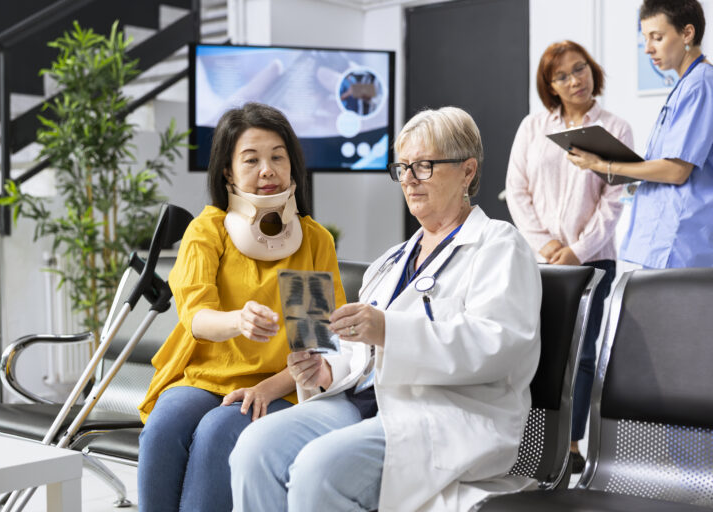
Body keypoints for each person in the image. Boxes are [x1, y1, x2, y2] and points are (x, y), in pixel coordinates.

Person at [230, 106, 543, 512]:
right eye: (403, 167)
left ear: (467, 171)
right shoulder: (392, 260)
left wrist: (388, 330)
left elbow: (498, 345)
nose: (409, 179)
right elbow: (359, 355)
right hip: (362, 405)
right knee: (254, 450)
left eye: (424, 166)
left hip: (441, 415)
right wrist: (325, 371)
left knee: (318, 471)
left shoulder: (500, 246)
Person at [136, 102, 346, 511]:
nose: (266, 170)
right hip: (205, 376)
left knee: (218, 432)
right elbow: (196, 316)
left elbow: (314, 344)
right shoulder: (209, 229)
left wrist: (268, 387)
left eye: (277, 157)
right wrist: (239, 320)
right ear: (228, 172)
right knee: (163, 428)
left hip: (279, 383)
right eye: (251, 160)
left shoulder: (312, 240)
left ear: (292, 167)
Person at [505, 40, 634, 473]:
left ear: (593, 70)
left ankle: (571, 446)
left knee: (581, 355)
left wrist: (576, 251)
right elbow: (517, 191)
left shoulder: (616, 127)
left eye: (580, 69)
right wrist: (545, 245)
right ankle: (528, 441)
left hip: (593, 261)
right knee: (533, 351)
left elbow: (614, 202)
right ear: (550, 86)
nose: (575, 79)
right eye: (562, 75)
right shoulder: (533, 127)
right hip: (539, 262)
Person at [568, 0, 713, 268]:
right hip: (667, 240)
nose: (648, 49)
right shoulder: (687, 86)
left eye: (657, 38)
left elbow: (676, 170)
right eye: (645, 39)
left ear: (687, 34)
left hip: (682, 241)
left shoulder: (701, 85)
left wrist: (604, 165)